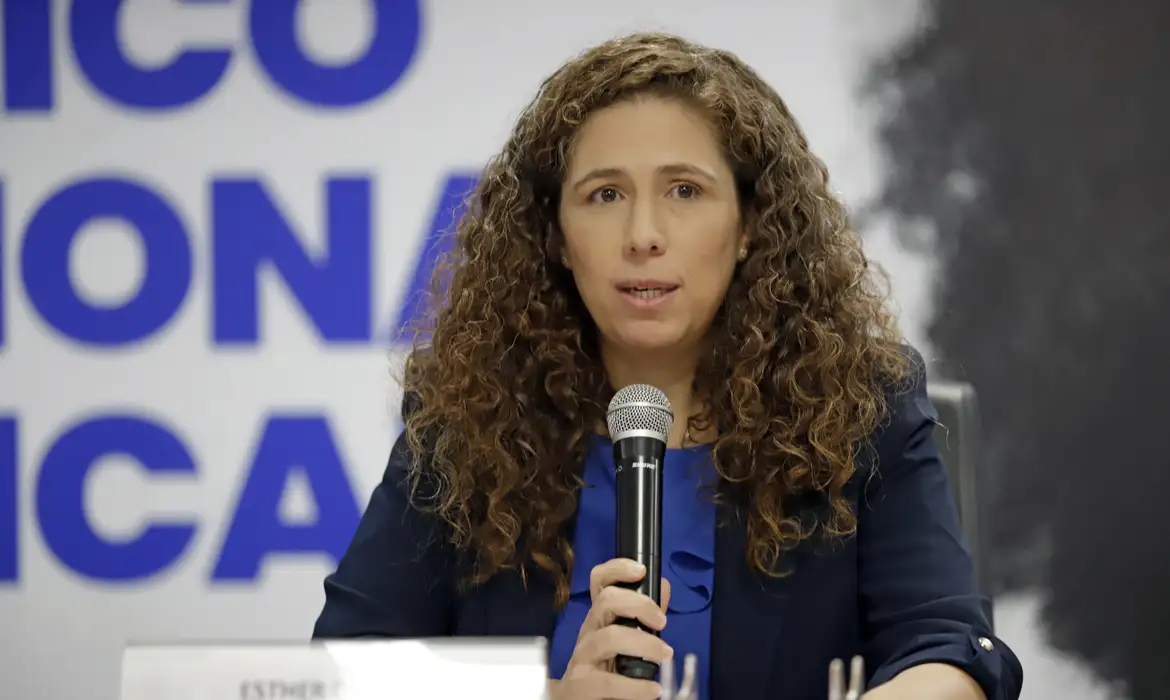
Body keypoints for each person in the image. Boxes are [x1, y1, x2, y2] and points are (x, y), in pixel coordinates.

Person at [312, 32, 1023, 700]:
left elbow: (951, 648)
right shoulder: (467, 417)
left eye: (685, 191)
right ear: (556, 236)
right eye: (605, 195)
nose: (643, 236)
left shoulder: (864, 406)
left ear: (750, 226)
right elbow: (350, 666)